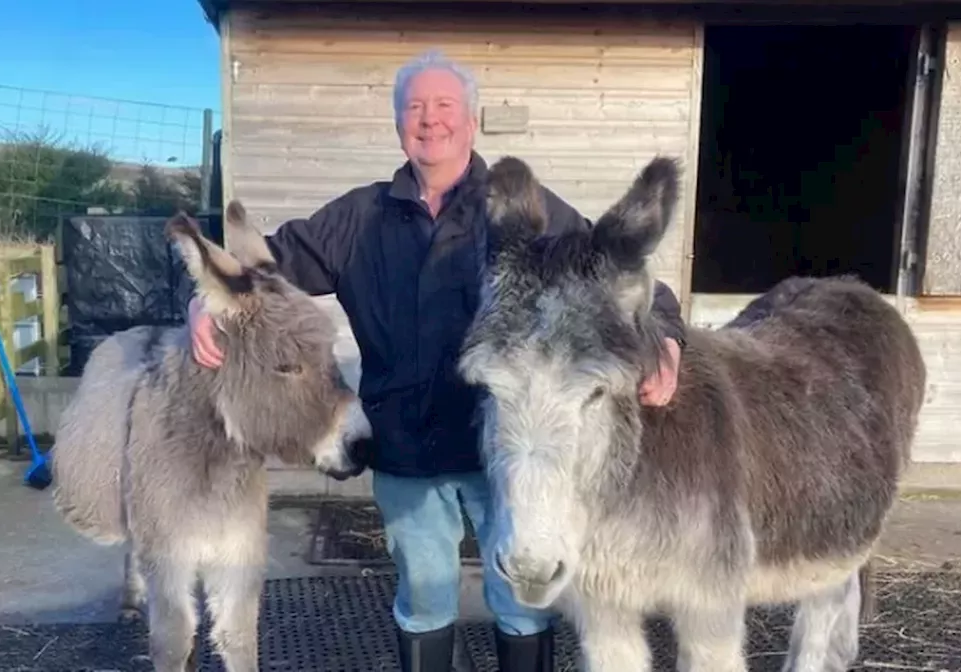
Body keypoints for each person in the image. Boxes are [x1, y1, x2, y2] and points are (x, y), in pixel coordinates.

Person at [186, 49, 687, 672]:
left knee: (524, 598)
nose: (430, 120)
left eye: (444, 106)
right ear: (399, 124)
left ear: (470, 121)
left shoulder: (521, 218)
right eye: (415, 108)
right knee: (424, 597)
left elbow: (625, 274)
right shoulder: (358, 217)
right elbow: (256, 276)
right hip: (406, 450)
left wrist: (665, 336)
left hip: (501, 455)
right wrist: (200, 303)